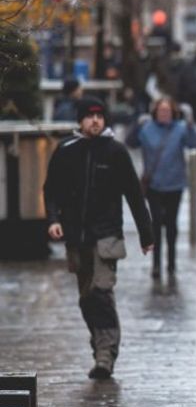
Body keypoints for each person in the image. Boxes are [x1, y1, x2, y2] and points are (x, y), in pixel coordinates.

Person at [44, 97, 154, 379]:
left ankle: (106, 354)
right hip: (77, 237)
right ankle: (100, 346)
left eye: (99, 116)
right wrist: (54, 220)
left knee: (100, 292)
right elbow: (51, 189)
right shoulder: (66, 150)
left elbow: (133, 193)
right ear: (80, 120)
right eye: (90, 116)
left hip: (107, 235)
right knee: (86, 297)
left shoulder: (115, 152)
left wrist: (146, 234)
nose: (95, 120)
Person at [126, 97, 196, 278]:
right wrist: (137, 124)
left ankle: (172, 263)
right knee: (156, 224)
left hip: (175, 184)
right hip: (154, 185)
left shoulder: (180, 128)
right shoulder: (147, 128)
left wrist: (191, 125)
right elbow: (131, 142)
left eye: (167, 111)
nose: (164, 114)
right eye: (161, 111)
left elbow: (193, 143)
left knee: (172, 224)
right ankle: (156, 264)